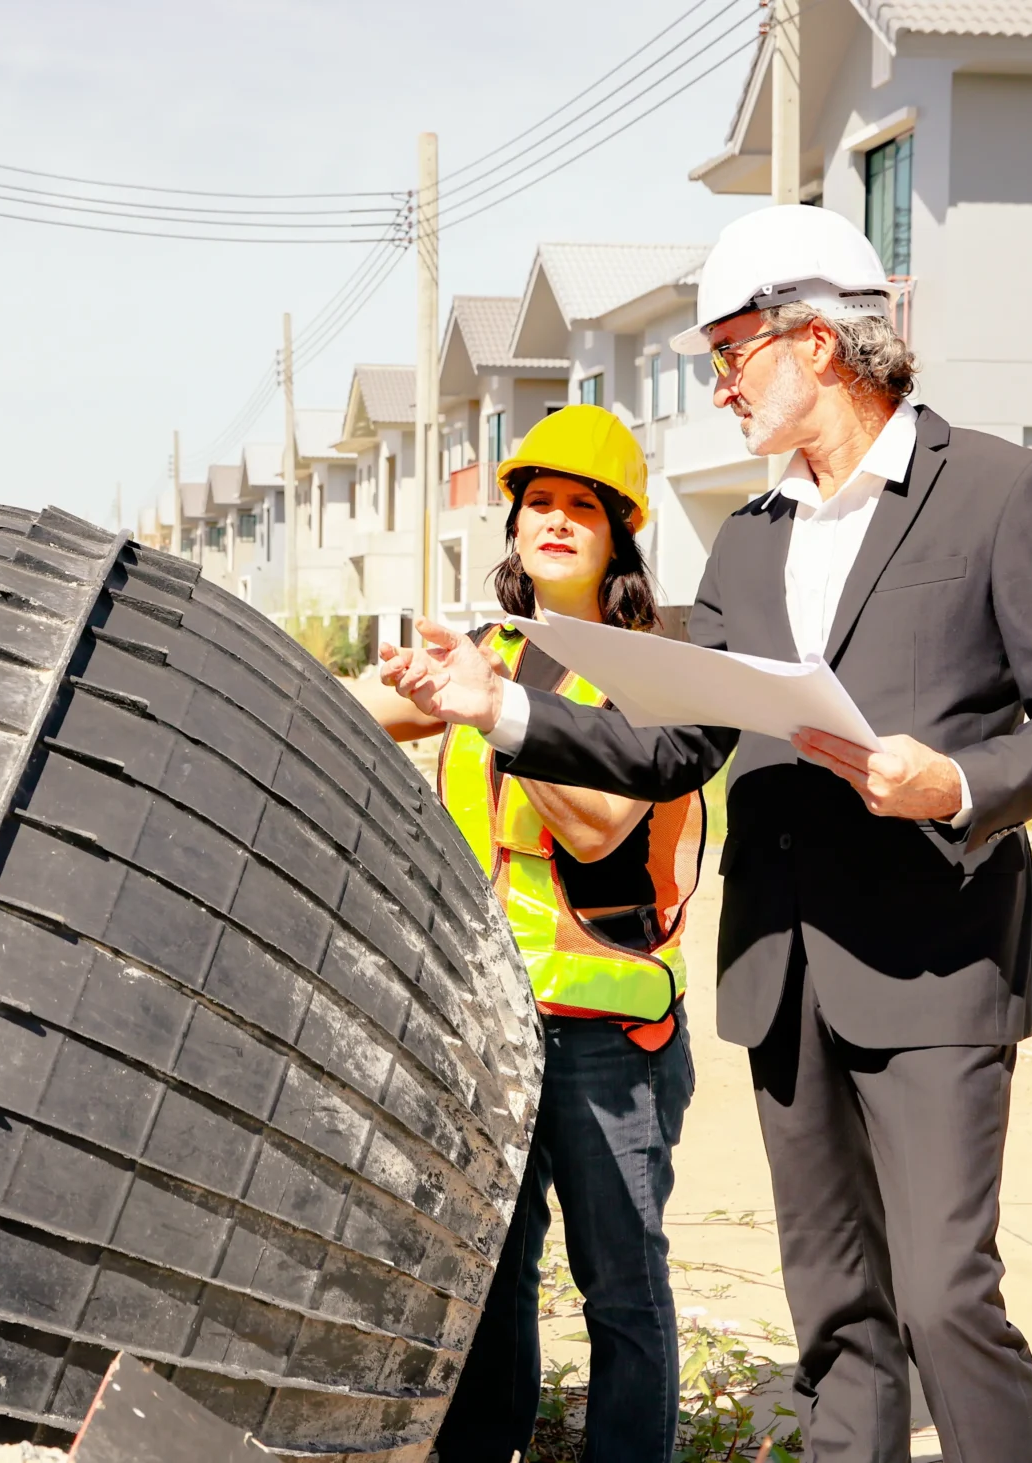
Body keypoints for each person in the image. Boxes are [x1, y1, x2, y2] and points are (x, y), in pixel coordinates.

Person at [383, 205, 1032, 1463]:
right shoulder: (749, 536)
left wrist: (954, 779)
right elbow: (678, 746)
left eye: (729, 350)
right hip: (782, 971)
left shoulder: (1004, 491)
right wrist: (498, 705)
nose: (717, 380)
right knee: (837, 1314)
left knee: (945, 1292)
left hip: (936, 960)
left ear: (815, 341)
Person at [349, 404, 703, 1463]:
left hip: (608, 1032)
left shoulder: (656, 675)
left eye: (579, 507)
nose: (551, 520)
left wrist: (497, 709)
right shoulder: (489, 651)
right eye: (535, 503)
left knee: (620, 1281)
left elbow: (599, 825)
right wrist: (423, 687)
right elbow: (351, 709)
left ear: (619, 535)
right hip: (488, 1023)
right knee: (492, 1271)